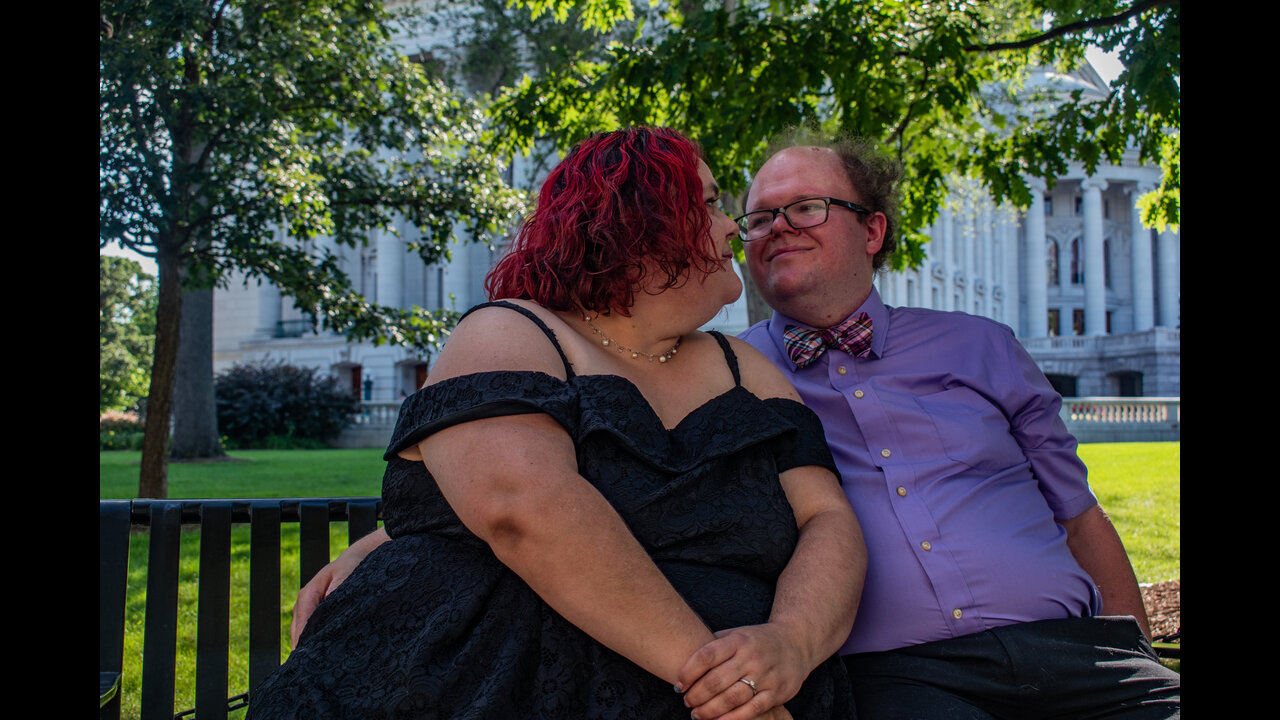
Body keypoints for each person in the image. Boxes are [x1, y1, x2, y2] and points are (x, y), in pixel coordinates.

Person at [253, 127, 866, 720]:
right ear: (638, 226)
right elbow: (522, 510)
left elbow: (826, 516)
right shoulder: (511, 332)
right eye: (707, 204)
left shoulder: (746, 369)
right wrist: (724, 691)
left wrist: (792, 642)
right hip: (477, 684)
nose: (734, 225)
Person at [733, 133, 1180, 718]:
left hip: (1077, 655)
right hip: (899, 677)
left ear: (872, 231)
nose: (780, 226)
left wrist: (1134, 652)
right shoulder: (730, 375)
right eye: (760, 217)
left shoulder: (980, 345)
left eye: (807, 207)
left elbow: (1078, 514)